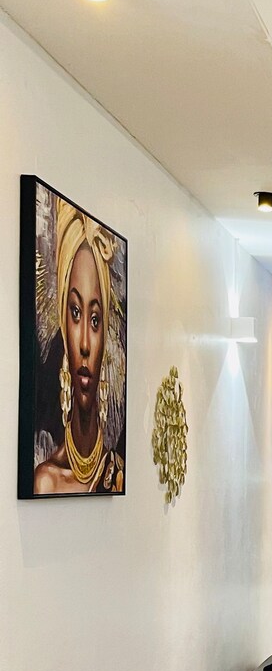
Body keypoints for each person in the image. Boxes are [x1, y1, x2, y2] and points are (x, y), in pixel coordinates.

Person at [32, 200, 124, 494]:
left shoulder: (117, 474)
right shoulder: (46, 480)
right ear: (62, 321)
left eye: (95, 320)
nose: (84, 343)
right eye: (75, 313)